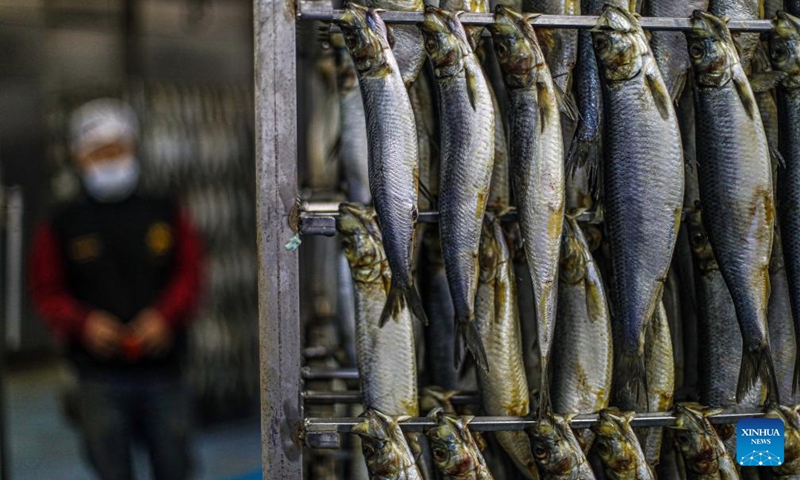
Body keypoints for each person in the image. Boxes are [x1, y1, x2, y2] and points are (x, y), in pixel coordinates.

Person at [28, 98, 203, 480]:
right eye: (98, 152)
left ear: (133, 149)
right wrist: (83, 323)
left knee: (174, 464)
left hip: (164, 369)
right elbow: (46, 290)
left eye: (117, 149)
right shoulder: (62, 221)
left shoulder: (164, 209)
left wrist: (164, 317)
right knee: (110, 466)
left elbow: (190, 273)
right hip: (97, 375)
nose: (109, 159)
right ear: (78, 157)